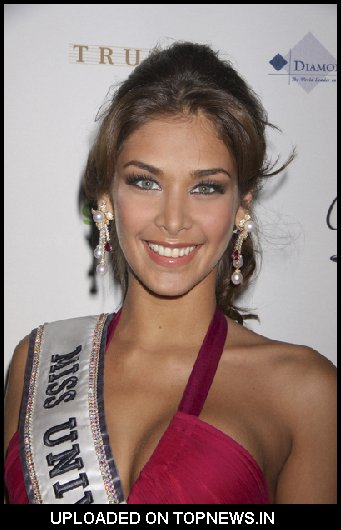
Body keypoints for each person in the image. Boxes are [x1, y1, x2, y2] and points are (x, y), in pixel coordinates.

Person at [4, 41, 336, 505]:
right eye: (145, 181)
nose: (174, 219)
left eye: (206, 187)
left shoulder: (305, 391)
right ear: (105, 197)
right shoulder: (36, 362)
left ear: (242, 205)